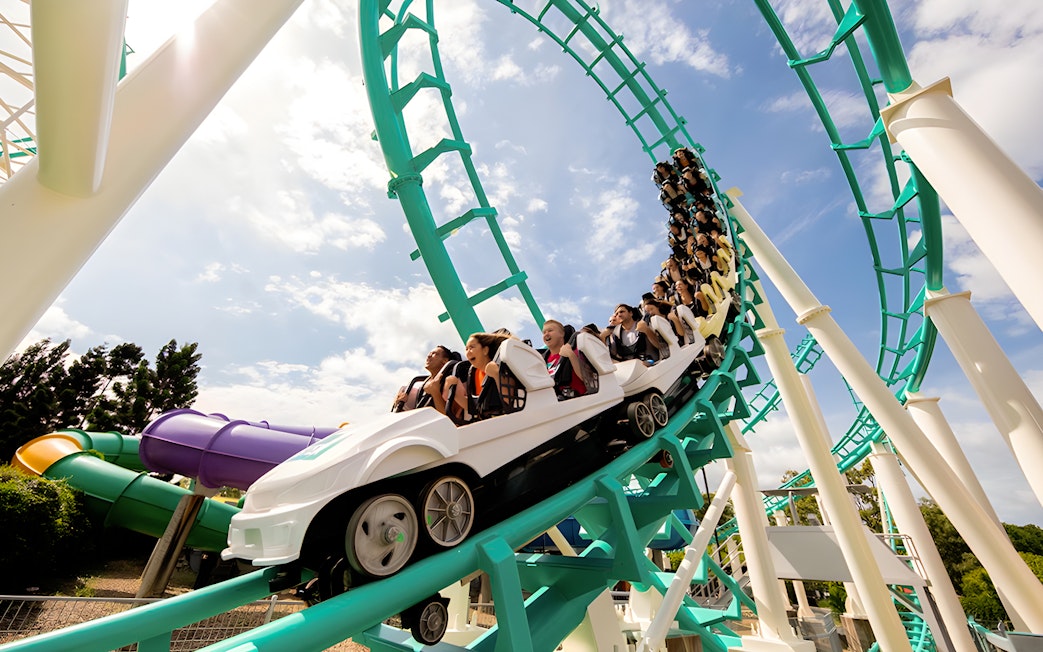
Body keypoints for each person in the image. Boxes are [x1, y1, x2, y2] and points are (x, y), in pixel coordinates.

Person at [439, 332, 511, 423]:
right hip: (487, 422)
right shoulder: (473, 373)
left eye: (471, 347)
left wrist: (497, 375)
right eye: (466, 349)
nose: (468, 352)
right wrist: (455, 394)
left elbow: (510, 400)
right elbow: (473, 407)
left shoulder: (500, 366)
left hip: (506, 420)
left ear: (485, 350)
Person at [393, 345, 460, 412]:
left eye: (434, 354)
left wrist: (435, 392)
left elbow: (451, 419)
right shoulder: (420, 384)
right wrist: (399, 404)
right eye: (429, 353)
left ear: (445, 361)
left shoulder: (449, 382)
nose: (428, 356)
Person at [541, 320, 587, 399]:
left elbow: (586, 379)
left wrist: (571, 355)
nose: (546, 334)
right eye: (544, 332)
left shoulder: (575, 352)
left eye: (550, 330)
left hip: (578, 401)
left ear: (562, 334)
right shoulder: (541, 360)